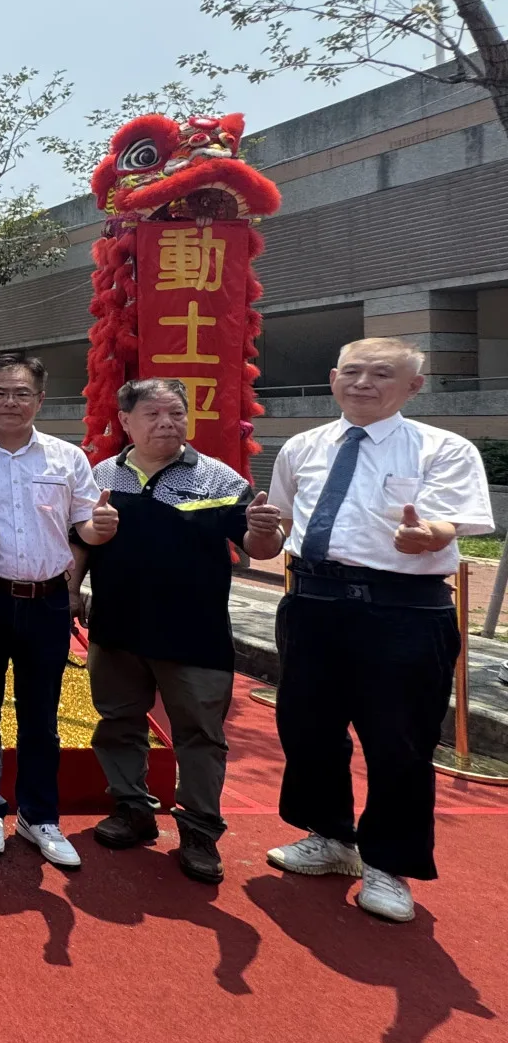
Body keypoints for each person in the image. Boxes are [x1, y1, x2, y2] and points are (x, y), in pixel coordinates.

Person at [264, 338, 495, 923]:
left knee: (400, 741)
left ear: (413, 386)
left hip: (403, 609)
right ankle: (330, 836)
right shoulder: (302, 446)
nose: (363, 383)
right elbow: (285, 519)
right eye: (353, 371)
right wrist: (263, 530)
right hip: (312, 602)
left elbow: (448, 521)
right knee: (308, 728)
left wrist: (429, 535)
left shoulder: (443, 448)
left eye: (382, 374)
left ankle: (389, 864)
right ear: (333, 378)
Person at [83, 378, 283, 884]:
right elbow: (81, 542)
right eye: (152, 415)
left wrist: (266, 531)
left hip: (195, 635)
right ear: (125, 421)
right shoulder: (102, 475)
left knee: (199, 735)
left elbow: (260, 546)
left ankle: (199, 831)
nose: (167, 424)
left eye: (176, 414)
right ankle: (131, 808)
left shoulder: (218, 478)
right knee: (119, 723)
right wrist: (68, 591)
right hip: (117, 630)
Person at [0, 351, 99, 870]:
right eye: (0, 392)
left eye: (21, 393)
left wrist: (96, 539)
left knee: (41, 715)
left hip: (48, 601)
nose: (10, 402)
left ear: (40, 398)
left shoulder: (67, 457)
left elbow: (86, 526)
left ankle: (40, 816)